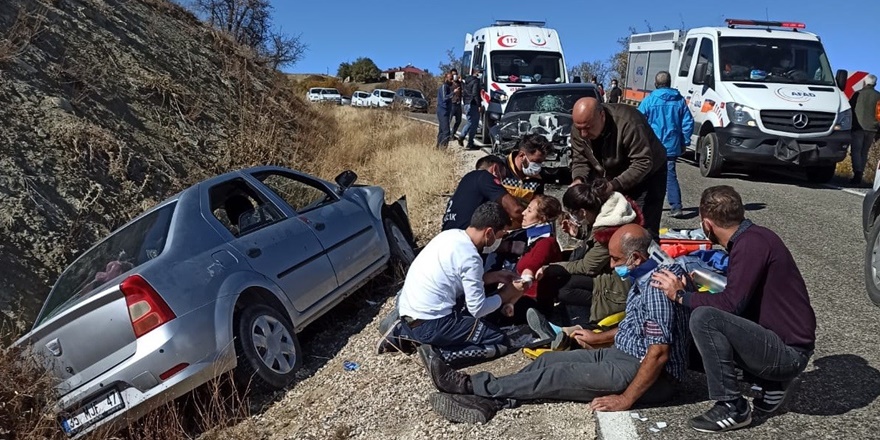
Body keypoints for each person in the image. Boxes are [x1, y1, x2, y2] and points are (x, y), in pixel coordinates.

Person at [422, 224, 692, 424]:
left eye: (616, 260)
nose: (611, 266)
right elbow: (639, 325)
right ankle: (491, 401)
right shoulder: (647, 269)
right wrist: (599, 338)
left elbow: (658, 352)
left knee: (556, 377)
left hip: (649, 373)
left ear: (637, 258)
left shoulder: (658, 286)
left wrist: (625, 399)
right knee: (547, 362)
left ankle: (471, 386)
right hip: (624, 353)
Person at [651, 185, 816, 433]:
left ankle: (732, 406)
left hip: (788, 353)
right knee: (690, 342)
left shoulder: (751, 245)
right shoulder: (755, 237)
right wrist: (694, 293)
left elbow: (731, 304)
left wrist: (681, 297)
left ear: (706, 224)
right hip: (780, 341)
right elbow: (740, 300)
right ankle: (770, 382)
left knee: (703, 319)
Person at [378, 202, 523, 366]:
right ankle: (440, 355)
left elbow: (457, 281)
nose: (499, 241)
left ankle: (404, 332)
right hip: (431, 324)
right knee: (498, 340)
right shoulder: (470, 257)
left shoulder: (450, 236)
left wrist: (494, 276)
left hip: (410, 313)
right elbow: (478, 309)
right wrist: (505, 294)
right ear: (489, 233)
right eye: (499, 236)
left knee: (464, 307)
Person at [526, 181, 643, 346]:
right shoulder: (612, 213)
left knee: (566, 286)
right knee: (568, 281)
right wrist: (580, 233)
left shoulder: (608, 232)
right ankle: (568, 324)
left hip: (621, 289)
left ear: (582, 211)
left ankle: (573, 328)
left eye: (572, 213)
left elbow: (588, 266)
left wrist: (551, 268)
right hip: (619, 279)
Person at [569, 97, 668, 237]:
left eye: (588, 127)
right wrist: (578, 179)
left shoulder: (629, 122)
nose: (583, 134)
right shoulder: (580, 128)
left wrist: (614, 185)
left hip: (648, 174)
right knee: (608, 222)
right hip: (611, 174)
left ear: (601, 115)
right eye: (579, 128)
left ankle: (645, 254)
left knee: (641, 227)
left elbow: (643, 162)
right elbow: (580, 160)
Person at [491, 194, 563, 323]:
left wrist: (511, 301)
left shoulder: (546, 243)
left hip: (533, 303)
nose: (523, 213)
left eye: (529, 210)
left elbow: (529, 272)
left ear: (542, 218)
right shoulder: (534, 239)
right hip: (521, 296)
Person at [638, 71, 694, 219]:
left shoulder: (649, 100)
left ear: (656, 84)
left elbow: (638, 121)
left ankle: (644, 206)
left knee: (647, 175)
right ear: (669, 83)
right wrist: (684, 141)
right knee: (670, 176)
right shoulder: (679, 101)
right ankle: (676, 206)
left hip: (652, 146)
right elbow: (688, 122)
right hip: (672, 145)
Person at [442, 155, 524, 231]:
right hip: (464, 238)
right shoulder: (484, 176)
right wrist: (533, 220)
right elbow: (515, 210)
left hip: (446, 235)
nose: (502, 181)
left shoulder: (468, 180)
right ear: (495, 169)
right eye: (502, 176)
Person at [501, 134, 552, 206]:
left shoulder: (538, 178)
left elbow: (537, 206)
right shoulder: (500, 169)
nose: (538, 166)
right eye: (536, 161)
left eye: (541, 162)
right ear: (522, 156)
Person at [849, 74, 880, 185]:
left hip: (858, 127)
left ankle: (857, 173)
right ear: (875, 84)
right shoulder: (878, 96)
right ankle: (860, 173)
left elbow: (850, 110)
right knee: (864, 152)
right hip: (872, 129)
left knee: (856, 151)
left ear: (864, 83)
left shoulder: (857, 94)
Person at [458, 66, 483, 149]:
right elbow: (475, 93)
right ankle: (469, 142)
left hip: (466, 103)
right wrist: (479, 105)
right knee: (474, 124)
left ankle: (462, 137)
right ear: (476, 72)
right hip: (473, 104)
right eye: (480, 72)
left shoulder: (467, 81)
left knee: (469, 121)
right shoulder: (476, 81)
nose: (481, 74)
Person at [436, 72, 458, 148]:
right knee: (446, 132)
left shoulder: (448, 87)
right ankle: (443, 148)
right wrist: (453, 93)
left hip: (446, 111)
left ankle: (438, 147)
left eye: (452, 79)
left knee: (442, 131)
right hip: (442, 111)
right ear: (446, 79)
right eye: (450, 79)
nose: (452, 81)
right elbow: (445, 98)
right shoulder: (443, 87)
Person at [450, 68, 464, 140]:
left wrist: (461, 82)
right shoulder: (449, 84)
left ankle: (453, 133)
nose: (454, 76)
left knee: (459, 120)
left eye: (455, 74)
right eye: (453, 75)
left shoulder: (459, 83)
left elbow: (463, 90)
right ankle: (447, 134)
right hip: (452, 103)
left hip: (458, 104)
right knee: (449, 120)